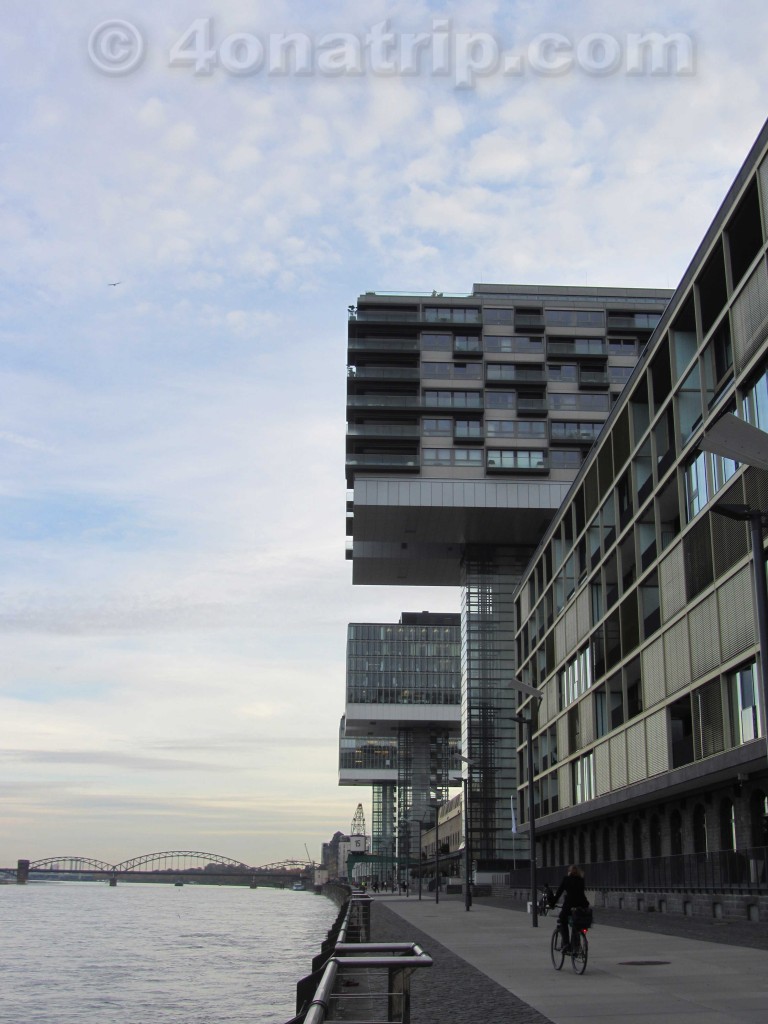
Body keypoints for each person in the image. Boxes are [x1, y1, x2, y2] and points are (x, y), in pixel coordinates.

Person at [553, 865, 589, 952]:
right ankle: (576, 946)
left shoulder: (566, 879)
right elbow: (580, 893)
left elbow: (559, 892)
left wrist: (552, 903)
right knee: (576, 924)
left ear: (569, 872)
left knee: (562, 919)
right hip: (582, 906)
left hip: (569, 905)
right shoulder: (581, 880)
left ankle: (566, 944)